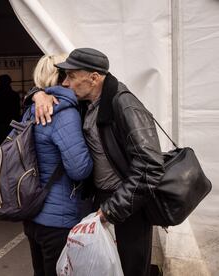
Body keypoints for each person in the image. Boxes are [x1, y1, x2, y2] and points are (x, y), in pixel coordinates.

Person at [29, 48, 165, 276]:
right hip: (101, 201)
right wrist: (37, 93)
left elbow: (150, 167)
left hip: (128, 206)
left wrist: (111, 210)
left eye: (71, 76)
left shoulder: (124, 104)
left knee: (129, 269)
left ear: (94, 78)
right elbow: (48, 92)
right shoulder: (88, 102)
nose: (66, 83)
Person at [23, 54, 93, 276]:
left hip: (32, 212)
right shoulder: (64, 113)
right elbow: (79, 169)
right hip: (58, 218)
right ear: (63, 78)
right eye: (71, 72)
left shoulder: (31, 109)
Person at [0, 74, 21, 146]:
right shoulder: (13, 95)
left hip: (2, 124)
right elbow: (17, 110)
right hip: (9, 123)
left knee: (1, 143)